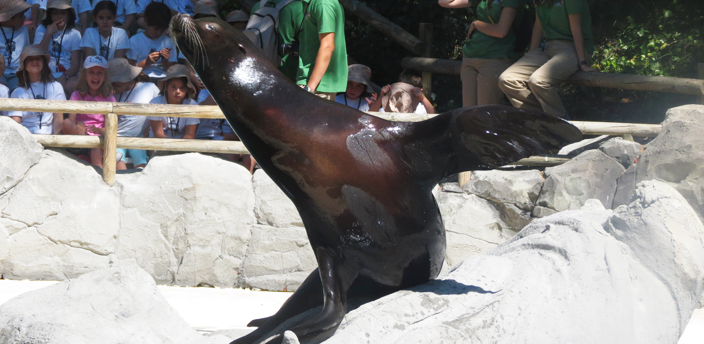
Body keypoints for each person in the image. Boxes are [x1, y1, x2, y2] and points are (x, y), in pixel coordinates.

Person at [499, 0, 595, 118]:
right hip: (548, 48)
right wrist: (531, 55)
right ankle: (539, 119)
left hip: (573, 48)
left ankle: (561, 123)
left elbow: (576, 29)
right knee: (507, 79)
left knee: (538, 80)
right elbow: (538, 27)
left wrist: (583, 62)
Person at [439, 0, 519, 107]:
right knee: (467, 112)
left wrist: (476, 24)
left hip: (495, 57)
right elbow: (445, 2)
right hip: (470, 57)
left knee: (486, 112)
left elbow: (501, 31)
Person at [63, 55, 116, 167]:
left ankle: (100, 177)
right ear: (84, 75)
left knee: (95, 150)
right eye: (91, 72)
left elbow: (111, 127)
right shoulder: (77, 94)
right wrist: (79, 123)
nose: (95, 76)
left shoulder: (109, 98)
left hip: (97, 139)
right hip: (80, 136)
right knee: (66, 122)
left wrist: (99, 130)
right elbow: (71, 121)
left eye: (99, 73)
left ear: (105, 76)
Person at [108, 57, 160, 169]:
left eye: (116, 85)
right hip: (116, 138)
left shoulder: (149, 88)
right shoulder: (111, 95)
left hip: (138, 138)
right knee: (117, 159)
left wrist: (152, 127)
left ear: (126, 79)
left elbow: (161, 107)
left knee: (140, 159)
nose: (114, 88)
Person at [5, 45, 65, 134]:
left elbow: (58, 119)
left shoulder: (56, 87)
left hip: (50, 139)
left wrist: (58, 142)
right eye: (30, 59)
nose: (34, 61)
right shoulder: (18, 92)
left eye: (38, 58)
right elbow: (16, 124)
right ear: (24, 64)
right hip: (26, 139)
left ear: (44, 63)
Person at [296, 0, 347, 101]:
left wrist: (309, 89)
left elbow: (327, 46)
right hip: (312, 84)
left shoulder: (323, 3)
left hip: (316, 87)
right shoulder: (312, 3)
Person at [34, 0, 82, 95]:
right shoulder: (41, 29)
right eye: (55, 13)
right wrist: (48, 34)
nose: (59, 16)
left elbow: (75, 65)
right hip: (45, 71)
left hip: (68, 73)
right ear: (49, 15)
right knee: (46, 84)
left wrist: (65, 76)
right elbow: (37, 54)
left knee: (73, 86)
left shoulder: (75, 34)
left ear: (69, 15)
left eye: (63, 13)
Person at [249, 0, 303, 81]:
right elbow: (309, 43)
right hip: (286, 76)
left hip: (257, 70)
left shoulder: (257, 6)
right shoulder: (297, 8)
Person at [127, 2, 176, 81]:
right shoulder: (135, 40)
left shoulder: (169, 42)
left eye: (162, 30)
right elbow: (130, 68)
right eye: (156, 29)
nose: (159, 33)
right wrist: (147, 62)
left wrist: (165, 61)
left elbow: (172, 71)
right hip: (142, 77)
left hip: (164, 79)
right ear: (146, 21)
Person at [148, 64, 199, 140]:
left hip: (182, 146)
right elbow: (158, 134)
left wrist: (178, 149)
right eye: (173, 87)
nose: (178, 91)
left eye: (182, 88)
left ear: (187, 89)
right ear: (166, 87)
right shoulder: (155, 103)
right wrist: (170, 149)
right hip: (159, 144)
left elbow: (189, 135)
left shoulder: (192, 105)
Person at [1, 0, 31, 90]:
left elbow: (26, 53)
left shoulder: (24, 30)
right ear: (10, 17)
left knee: (18, 90)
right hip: (0, 73)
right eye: (21, 15)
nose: (24, 18)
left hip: (17, 73)